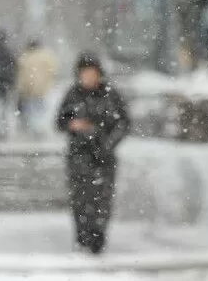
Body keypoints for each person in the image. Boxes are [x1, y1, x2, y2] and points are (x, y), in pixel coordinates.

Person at [55, 53, 129, 255]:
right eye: (84, 73)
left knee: (102, 199)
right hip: (79, 156)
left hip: (104, 157)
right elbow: (60, 121)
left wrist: (107, 141)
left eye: (91, 73)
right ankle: (82, 236)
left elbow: (123, 123)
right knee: (80, 198)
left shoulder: (110, 95)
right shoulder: (72, 95)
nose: (88, 77)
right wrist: (74, 124)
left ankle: (98, 237)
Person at [14, 38, 58, 136]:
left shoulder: (26, 57)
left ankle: (34, 129)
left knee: (31, 110)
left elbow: (22, 75)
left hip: (30, 89)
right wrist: (47, 83)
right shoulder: (46, 56)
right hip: (42, 88)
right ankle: (40, 128)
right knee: (40, 109)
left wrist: (21, 87)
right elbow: (52, 71)